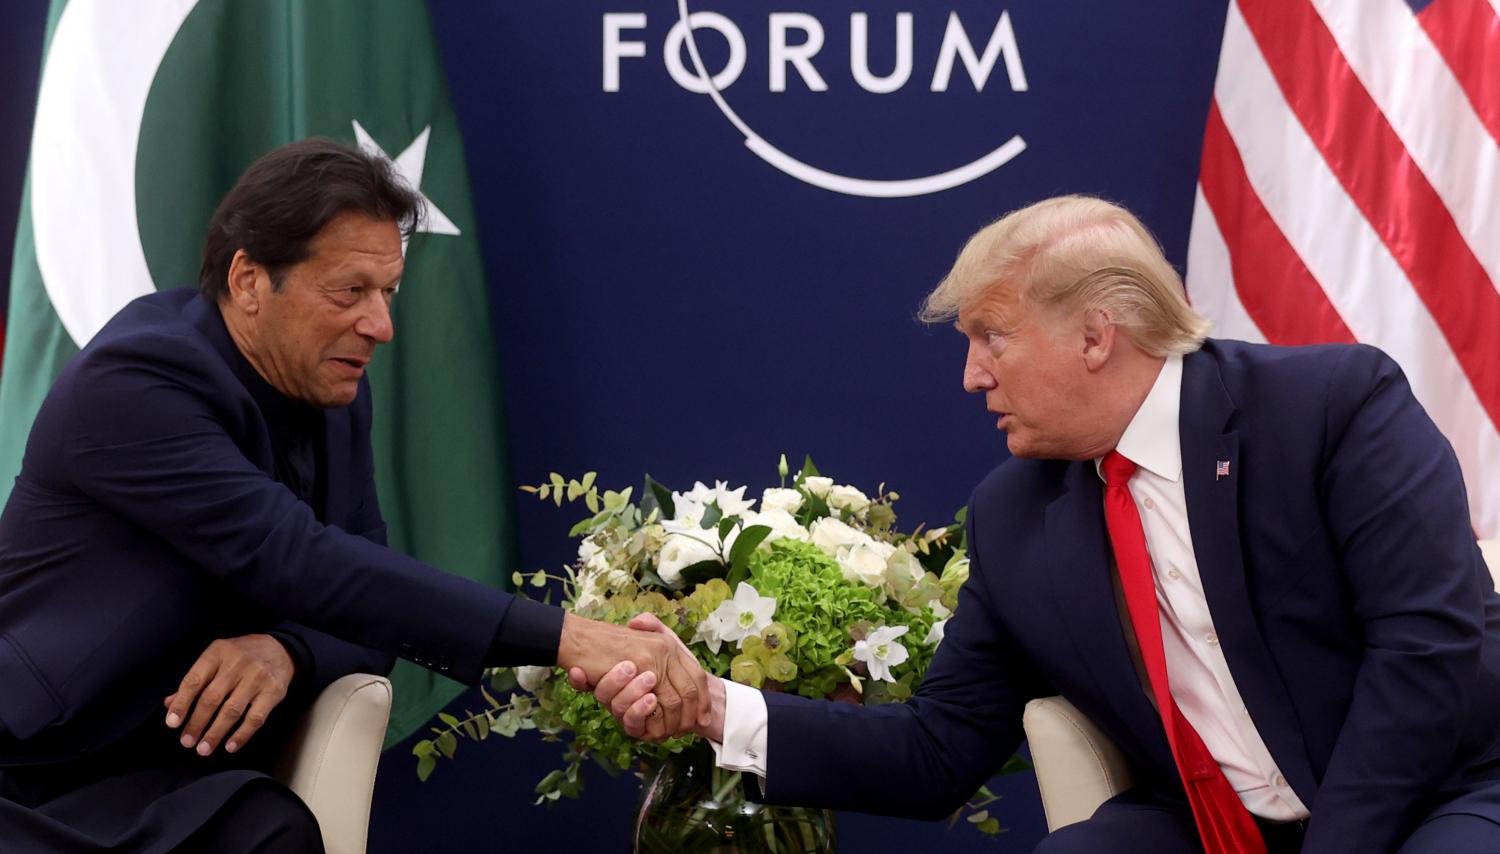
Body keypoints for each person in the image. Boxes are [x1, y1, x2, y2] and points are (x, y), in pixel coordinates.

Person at [585, 196, 1500, 853]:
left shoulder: (1330, 408)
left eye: (992, 337)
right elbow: (937, 750)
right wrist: (712, 705)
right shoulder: (1016, 515)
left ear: (1096, 336)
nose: (971, 377)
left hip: (1434, 797)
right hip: (1210, 826)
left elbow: (1424, 653)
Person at [0, 138, 707, 853]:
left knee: (274, 828)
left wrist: (288, 651)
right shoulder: (135, 382)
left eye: (388, 293)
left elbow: (365, 603)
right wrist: (571, 638)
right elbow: (302, 559)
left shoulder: (330, 388)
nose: (381, 327)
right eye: (350, 292)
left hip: (166, 778)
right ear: (249, 279)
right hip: (33, 772)